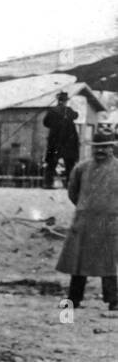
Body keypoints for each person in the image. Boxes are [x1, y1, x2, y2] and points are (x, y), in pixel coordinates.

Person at [56, 124, 118, 311]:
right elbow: (72, 192)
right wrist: (86, 208)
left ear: (112, 147)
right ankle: (74, 298)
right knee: (78, 261)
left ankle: (114, 300)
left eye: (104, 146)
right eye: (96, 147)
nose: (100, 150)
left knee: (108, 262)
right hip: (84, 222)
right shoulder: (81, 168)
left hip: (110, 222)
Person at [43, 91, 80, 188]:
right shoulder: (69, 111)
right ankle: (69, 184)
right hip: (68, 143)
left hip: (54, 141)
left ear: (58, 100)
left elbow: (45, 123)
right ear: (66, 101)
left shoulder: (52, 111)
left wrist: (54, 125)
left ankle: (48, 183)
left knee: (51, 163)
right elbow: (76, 115)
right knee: (70, 164)